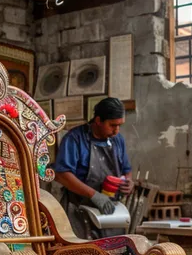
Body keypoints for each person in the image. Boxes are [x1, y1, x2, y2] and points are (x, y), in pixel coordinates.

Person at [53, 97, 134, 238]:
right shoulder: (75, 139)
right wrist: (94, 195)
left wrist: (129, 183)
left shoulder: (118, 140)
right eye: (112, 125)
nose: (116, 130)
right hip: (78, 211)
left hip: (110, 212)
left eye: (119, 125)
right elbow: (62, 175)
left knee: (114, 254)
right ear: (98, 120)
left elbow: (126, 171)